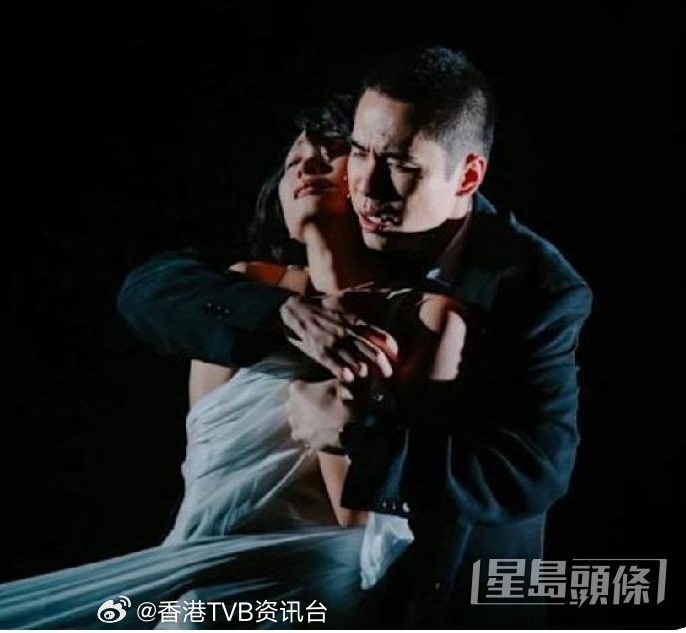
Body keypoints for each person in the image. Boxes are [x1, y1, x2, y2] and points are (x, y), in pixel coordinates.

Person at [0, 98, 420, 630]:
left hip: (310, 589)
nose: (306, 166)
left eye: (329, 152)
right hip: (199, 574)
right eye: (292, 162)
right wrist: (293, 316)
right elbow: (151, 293)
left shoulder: (412, 314)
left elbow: (357, 517)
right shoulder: (242, 292)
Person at [117, 46, 594, 628]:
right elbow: (151, 291)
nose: (368, 185)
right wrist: (288, 315)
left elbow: (531, 470)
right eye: (361, 152)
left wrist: (365, 442)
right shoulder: (298, 257)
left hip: (450, 597)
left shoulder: (532, 288)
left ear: (468, 175)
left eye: (400, 164)